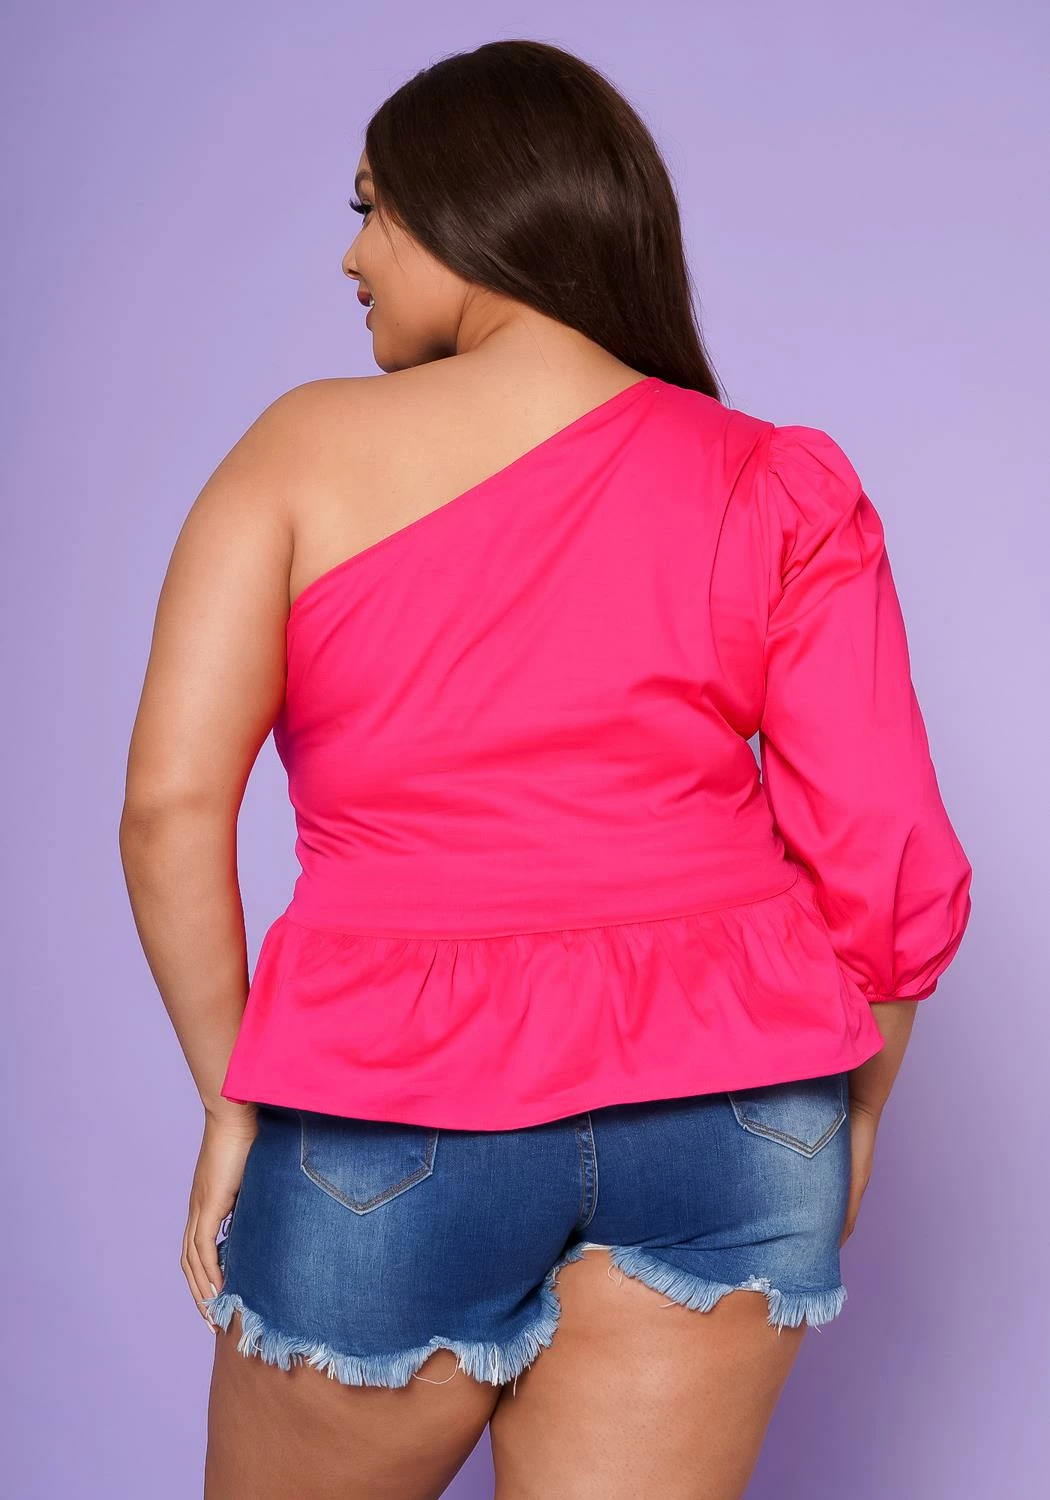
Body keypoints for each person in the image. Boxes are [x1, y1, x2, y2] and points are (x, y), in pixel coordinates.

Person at [118, 37, 973, 1500]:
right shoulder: (770, 476)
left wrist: (229, 1099)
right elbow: (884, 845)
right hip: (743, 1106)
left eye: (374, 207)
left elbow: (167, 810)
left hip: (389, 1104)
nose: (352, 256)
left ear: (476, 205)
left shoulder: (303, 449)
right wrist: (858, 1112)